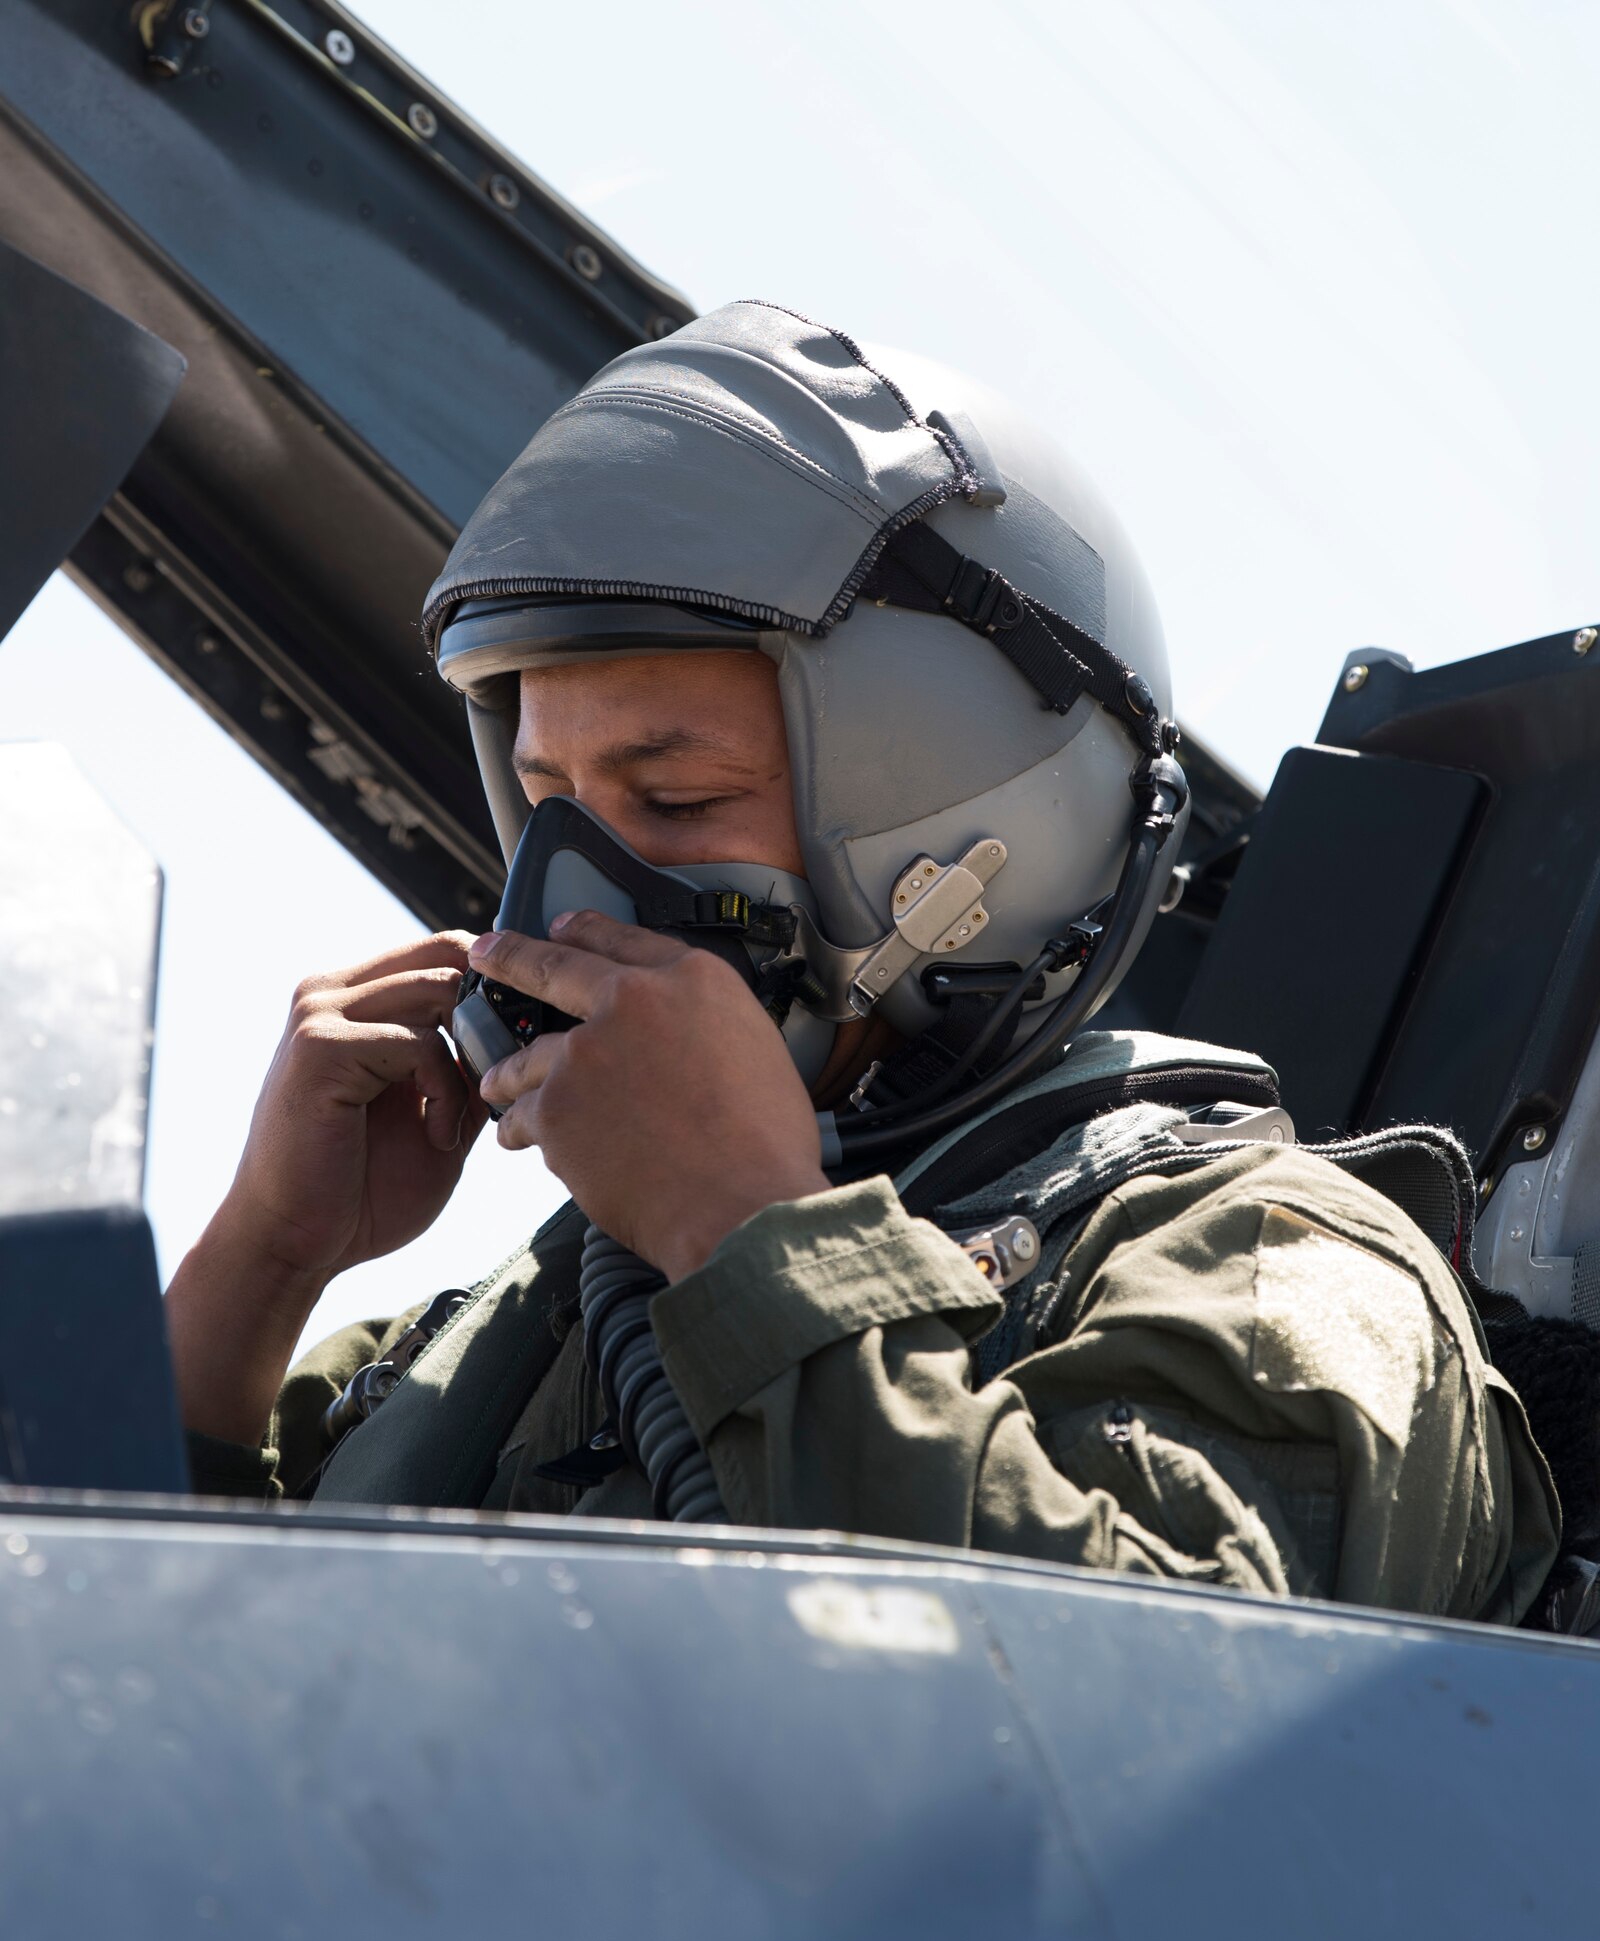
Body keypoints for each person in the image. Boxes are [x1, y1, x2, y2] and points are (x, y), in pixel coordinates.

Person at [166, 301, 1558, 1620]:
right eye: (550, 804)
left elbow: (1155, 1750)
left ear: (973, 830)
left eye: (678, 800)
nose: (569, 887)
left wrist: (746, 1238)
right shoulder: (537, 1317)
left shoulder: (1264, 1260)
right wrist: (268, 1259)